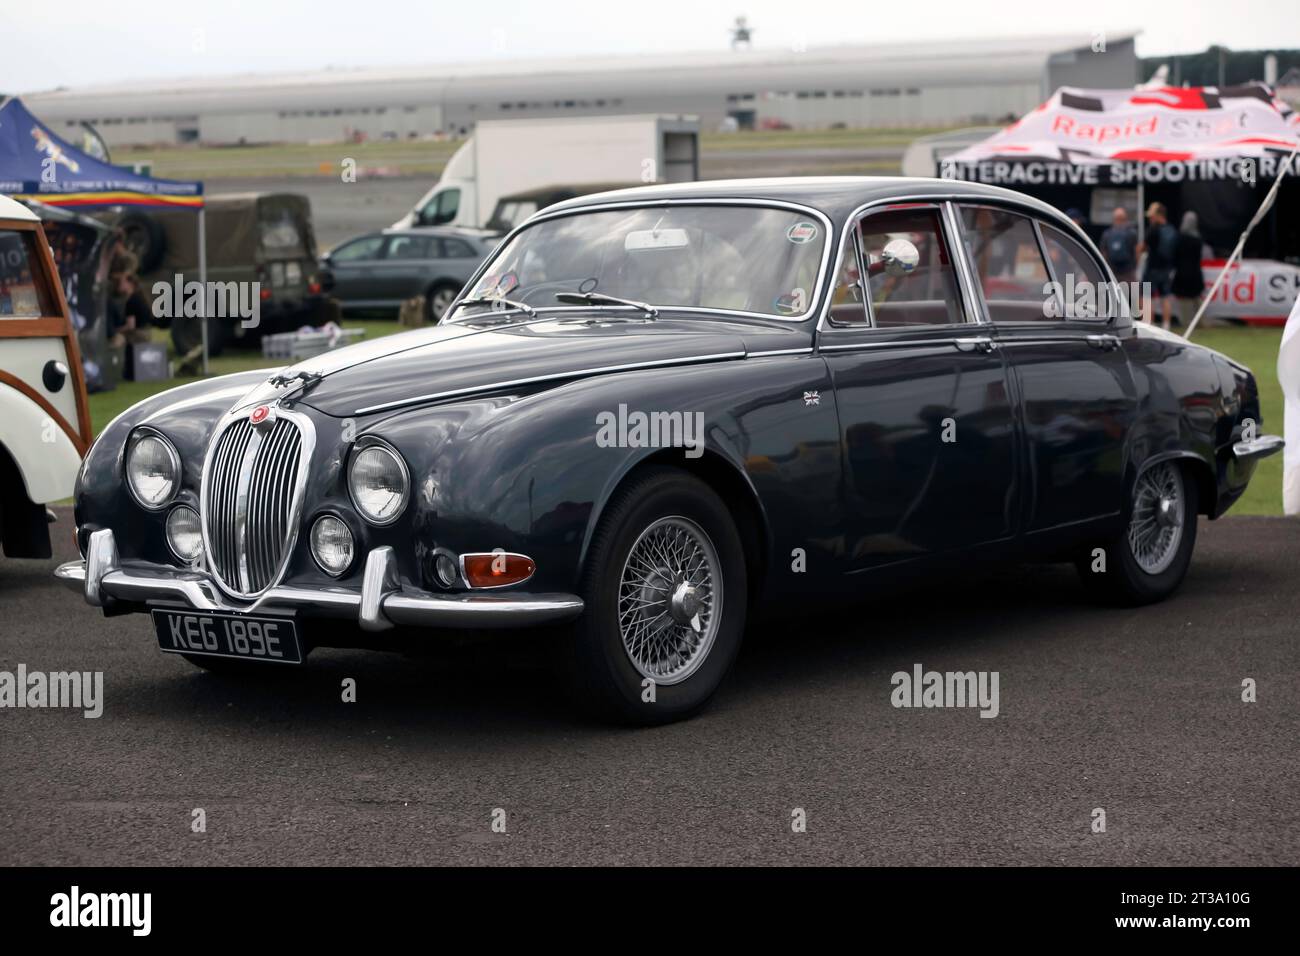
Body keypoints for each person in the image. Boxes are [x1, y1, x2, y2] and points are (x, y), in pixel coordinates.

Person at [1139, 202, 1178, 329]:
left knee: (1146, 296)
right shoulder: (1171, 229)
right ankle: (1166, 324)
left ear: (1158, 215)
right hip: (1166, 268)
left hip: (1152, 268)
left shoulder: (1153, 229)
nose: (1150, 218)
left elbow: (1143, 247)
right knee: (1165, 296)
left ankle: (1148, 323)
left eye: (1152, 215)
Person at [1172, 211, 1208, 329]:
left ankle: (1186, 322)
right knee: (1196, 298)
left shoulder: (1179, 238)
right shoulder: (1198, 239)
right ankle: (1201, 321)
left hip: (1181, 272)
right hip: (1195, 272)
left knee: (1184, 300)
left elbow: (1175, 255)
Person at [1100, 207, 1138, 283]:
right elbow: (1137, 251)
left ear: (1114, 219)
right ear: (1125, 219)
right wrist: (1134, 265)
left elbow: (1103, 253)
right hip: (1128, 272)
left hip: (1112, 272)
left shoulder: (1107, 234)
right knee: (1132, 293)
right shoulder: (1132, 233)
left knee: (1112, 293)